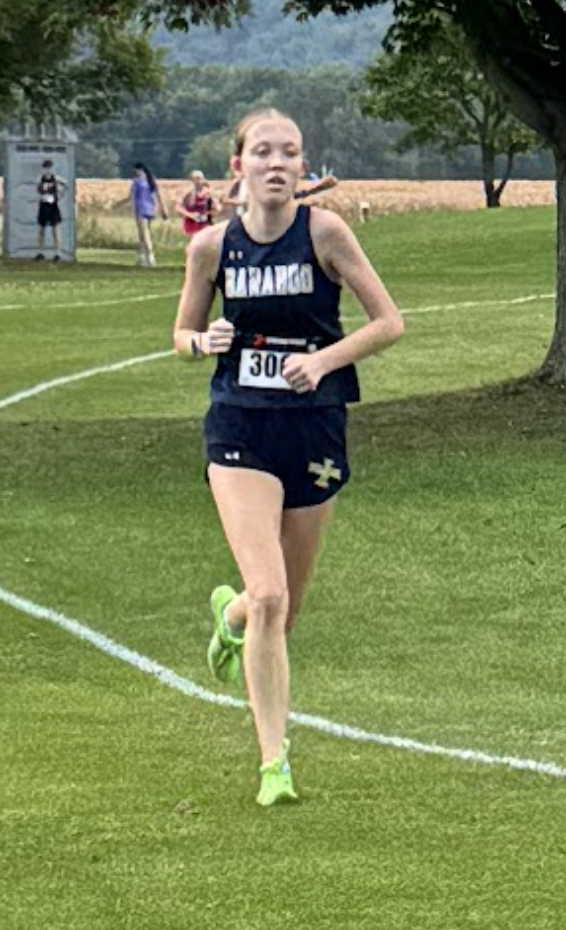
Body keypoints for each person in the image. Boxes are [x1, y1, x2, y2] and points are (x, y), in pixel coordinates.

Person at [173, 108, 404, 807]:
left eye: (291, 153)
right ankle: (275, 764)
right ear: (237, 165)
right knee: (272, 593)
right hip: (240, 428)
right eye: (263, 152)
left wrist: (323, 360)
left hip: (313, 427)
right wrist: (201, 343)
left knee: (282, 609)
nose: (278, 163)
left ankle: (231, 617)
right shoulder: (211, 248)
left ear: (302, 168)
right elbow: (180, 334)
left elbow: (389, 323)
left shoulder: (325, 233)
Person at [130, 162, 168, 267]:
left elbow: (132, 196)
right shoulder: (150, 181)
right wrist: (162, 208)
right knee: (144, 233)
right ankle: (142, 258)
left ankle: (150, 257)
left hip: (140, 210)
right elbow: (158, 195)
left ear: (138, 170)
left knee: (144, 234)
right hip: (150, 209)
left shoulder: (137, 182)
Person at [36, 159, 67, 261]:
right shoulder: (40, 179)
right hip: (43, 205)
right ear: (43, 169)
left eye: (49, 168)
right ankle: (40, 252)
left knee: (55, 230)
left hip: (53, 206)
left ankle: (57, 253)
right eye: (45, 168)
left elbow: (64, 189)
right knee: (41, 230)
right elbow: (38, 191)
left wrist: (58, 196)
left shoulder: (57, 179)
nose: (47, 170)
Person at [175, 170, 218, 241]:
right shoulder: (187, 193)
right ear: (192, 180)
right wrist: (190, 215)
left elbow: (217, 208)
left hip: (204, 223)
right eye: (196, 178)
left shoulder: (208, 193)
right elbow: (178, 208)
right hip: (191, 224)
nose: (198, 181)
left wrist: (210, 214)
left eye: (200, 178)